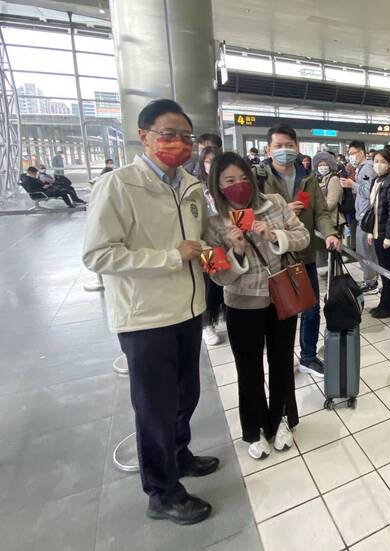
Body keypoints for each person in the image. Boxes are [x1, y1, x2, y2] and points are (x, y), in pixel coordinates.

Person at [83, 99, 218, 525]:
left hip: (186, 309)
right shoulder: (119, 186)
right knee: (155, 408)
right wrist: (170, 257)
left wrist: (216, 244)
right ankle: (162, 493)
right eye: (168, 134)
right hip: (145, 318)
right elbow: (98, 254)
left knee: (185, 395)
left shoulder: (191, 186)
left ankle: (178, 456)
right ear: (144, 136)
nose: (179, 143)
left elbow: (199, 234)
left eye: (185, 136)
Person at [206, 152, 310, 459]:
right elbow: (216, 276)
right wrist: (235, 250)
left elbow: (302, 236)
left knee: (281, 362)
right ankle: (253, 429)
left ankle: (280, 420)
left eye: (242, 178)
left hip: (281, 298)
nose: (238, 185)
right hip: (240, 304)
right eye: (229, 181)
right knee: (248, 368)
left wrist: (274, 234)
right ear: (218, 185)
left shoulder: (275, 203)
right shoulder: (212, 223)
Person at [259, 123, 339, 379]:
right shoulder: (259, 178)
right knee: (277, 314)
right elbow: (251, 217)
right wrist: (283, 215)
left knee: (311, 308)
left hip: (303, 254)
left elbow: (321, 212)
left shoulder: (308, 177)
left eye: (289, 145)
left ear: (297, 147)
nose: (284, 150)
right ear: (268, 149)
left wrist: (330, 233)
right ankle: (278, 360)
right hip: (272, 259)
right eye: (278, 146)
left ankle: (307, 356)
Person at [367, 149, 390, 318]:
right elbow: (374, 209)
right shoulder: (377, 180)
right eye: (375, 161)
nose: (378, 164)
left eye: (382, 161)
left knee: (388, 272)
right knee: (383, 271)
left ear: (389, 164)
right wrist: (370, 232)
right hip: (377, 232)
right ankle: (384, 303)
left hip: (387, 235)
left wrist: (389, 237)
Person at [341, 141, 379, 293]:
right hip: (363, 215)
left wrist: (353, 185)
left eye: (353, 153)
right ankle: (371, 278)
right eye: (349, 154)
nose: (350, 157)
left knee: (365, 251)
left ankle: (370, 281)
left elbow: (372, 192)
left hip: (366, 217)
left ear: (361, 153)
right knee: (366, 250)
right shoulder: (362, 168)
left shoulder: (367, 168)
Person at [198, 146, 226, 346]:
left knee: (229, 282)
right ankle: (208, 324)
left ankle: (226, 317)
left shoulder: (228, 183)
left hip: (230, 241)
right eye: (208, 161)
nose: (212, 164)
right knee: (211, 285)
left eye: (215, 160)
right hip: (208, 243)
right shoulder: (196, 187)